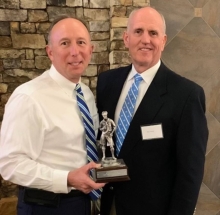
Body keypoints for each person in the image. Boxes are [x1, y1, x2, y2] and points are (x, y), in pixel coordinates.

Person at [97, 7, 208, 215]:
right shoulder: (106, 83)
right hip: (110, 206)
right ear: (126, 38)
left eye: (153, 33)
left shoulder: (187, 95)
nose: (145, 40)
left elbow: (190, 174)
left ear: (164, 41)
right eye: (138, 31)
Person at [0, 15, 105, 215]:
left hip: (83, 203)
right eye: (65, 43)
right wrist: (67, 178)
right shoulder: (29, 97)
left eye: (81, 42)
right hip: (46, 206)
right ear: (50, 52)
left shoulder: (86, 94)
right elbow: (10, 164)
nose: (75, 52)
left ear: (91, 50)